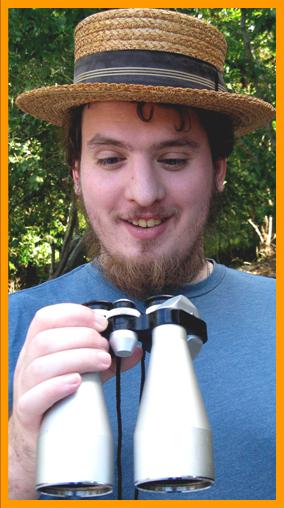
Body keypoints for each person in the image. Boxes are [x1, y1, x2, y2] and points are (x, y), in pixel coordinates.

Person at [9, 8, 275, 501]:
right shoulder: (13, 325)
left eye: (173, 159)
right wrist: (23, 448)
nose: (144, 192)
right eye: (110, 159)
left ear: (218, 170)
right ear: (76, 173)